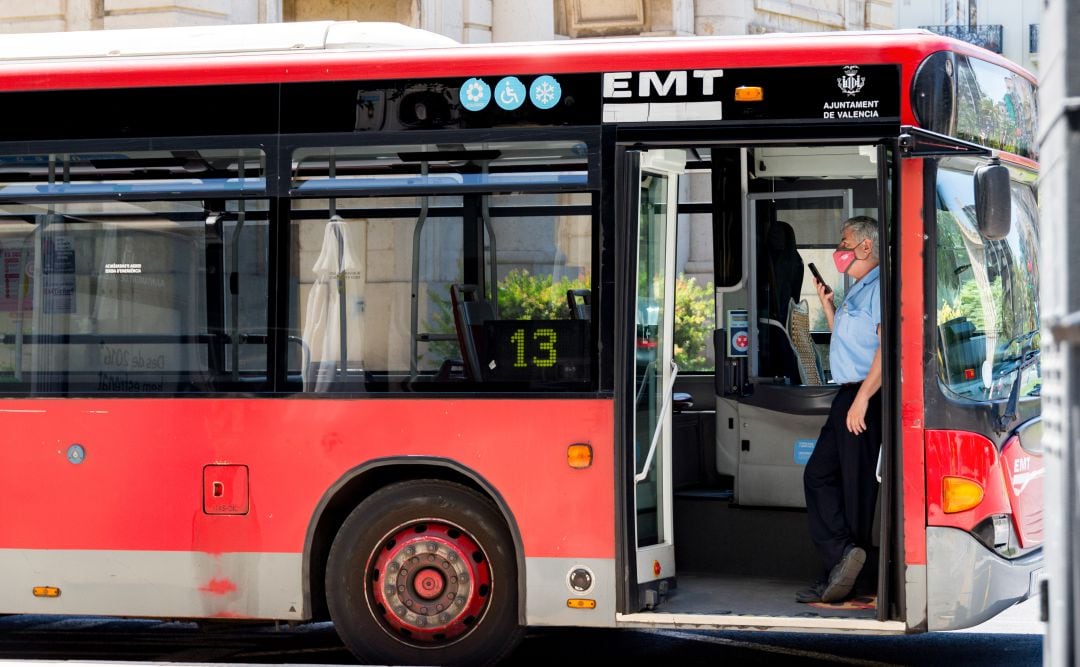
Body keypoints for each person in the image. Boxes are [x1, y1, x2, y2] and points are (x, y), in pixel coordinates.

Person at [796, 215, 882, 604]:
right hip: (847, 396)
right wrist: (829, 307)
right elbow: (849, 342)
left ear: (866, 246)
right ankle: (843, 556)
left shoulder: (880, 288)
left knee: (856, 488)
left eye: (845, 242)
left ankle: (854, 574)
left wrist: (863, 398)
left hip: (865, 396)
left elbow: (887, 348)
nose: (840, 250)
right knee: (819, 475)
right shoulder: (858, 290)